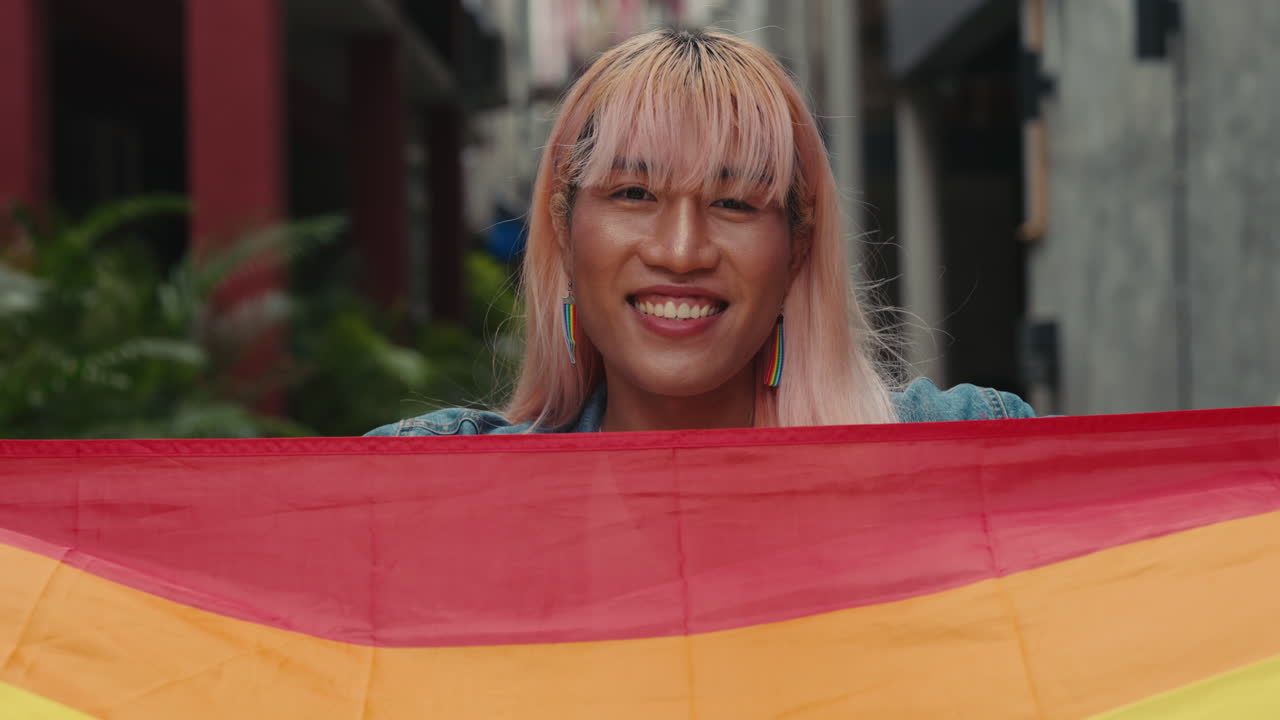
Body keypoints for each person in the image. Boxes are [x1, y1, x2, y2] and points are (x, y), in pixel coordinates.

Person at [368, 28, 1033, 437]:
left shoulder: (969, 448)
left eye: (736, 203)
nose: (680, 251)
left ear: (798, 244)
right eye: (633, 193)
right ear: (564, 232)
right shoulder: (428, 490)